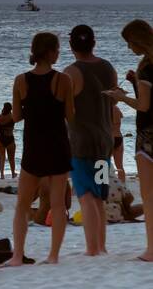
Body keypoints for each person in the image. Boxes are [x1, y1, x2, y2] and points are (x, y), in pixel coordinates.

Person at [7, 32, 75, 267]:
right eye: (56, 50)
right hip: (57, 145)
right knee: (57, 204)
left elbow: (16, 116)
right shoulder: (63, 80)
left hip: (33, 146)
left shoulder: (20, 80)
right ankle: (53, 256)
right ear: (48, 52)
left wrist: (32, 110)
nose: (58, 54)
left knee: (22, 204)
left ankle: (17, 255)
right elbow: (70, 115)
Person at [62, 24, 117, 257]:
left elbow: (64, 107)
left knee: (86, 195)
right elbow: (113, 102)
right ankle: (101, 246)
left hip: (81, 142)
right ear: (93, 43)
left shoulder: (71, 72)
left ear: (71, 45)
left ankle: (92, 248)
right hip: (105, 141)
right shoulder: (108, 68)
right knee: (99, 195)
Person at [102, 18, 153, 262]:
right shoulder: (144, 70)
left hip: (146, 137)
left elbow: (144, 106)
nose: (128, 48)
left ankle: (151, 249)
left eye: (129, 43)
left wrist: (120, 97)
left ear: (137, 41)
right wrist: (134, 84)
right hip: (123, 140)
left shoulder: (146, 67)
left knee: (149, 193)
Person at [0, 102, 17, 179]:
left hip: (0, 139)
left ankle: (2, 175)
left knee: (1, 158)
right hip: (10, 138)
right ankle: (13, 174)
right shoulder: (12, 116)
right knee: (11, 158)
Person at [111, 106, 126, 183]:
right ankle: (123, 186)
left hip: (109, 138)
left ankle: (104, 186)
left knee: (104, 164)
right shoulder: (117, 108)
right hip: (119, 137)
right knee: (120, 166)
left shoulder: (105, 109)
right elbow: (121, 115)